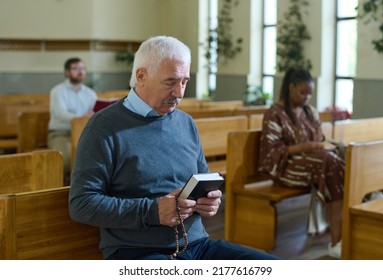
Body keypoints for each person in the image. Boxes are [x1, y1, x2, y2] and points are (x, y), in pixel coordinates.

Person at [69, 36, 279, 260]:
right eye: (170, 82)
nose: (179, 93)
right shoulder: (103, 127)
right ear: (141, 76)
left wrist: (210, 201)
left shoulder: (185, 122)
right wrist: (153, 211)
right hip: (138, 252)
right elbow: (81, 204)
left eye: (185, 81)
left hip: (197, 245)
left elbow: (201, 180)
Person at [258, 67, 344, 259]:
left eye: (310, 94)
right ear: (290, 87)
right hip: (284, 167)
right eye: (302, 92)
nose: (306, 97)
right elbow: (274, 153)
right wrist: (309, 146)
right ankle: (337, 240)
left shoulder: (309, 112)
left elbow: (320, 140)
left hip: (313, 165)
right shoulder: (275, 113)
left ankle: (342, 237)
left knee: (338, 157)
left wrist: (325, 145)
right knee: (330, 164)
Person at [48, 57, 97, 182]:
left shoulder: (90, 93)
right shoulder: (57, 91)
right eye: (75, 68)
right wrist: (81, 118)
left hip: (84, 134)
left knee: (97, 157)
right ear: (67, 72)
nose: (80, 71)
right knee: (65, 158)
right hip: (61, 133)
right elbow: (60, 113)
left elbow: (94, 112)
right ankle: (60, 189)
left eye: (82, 68)